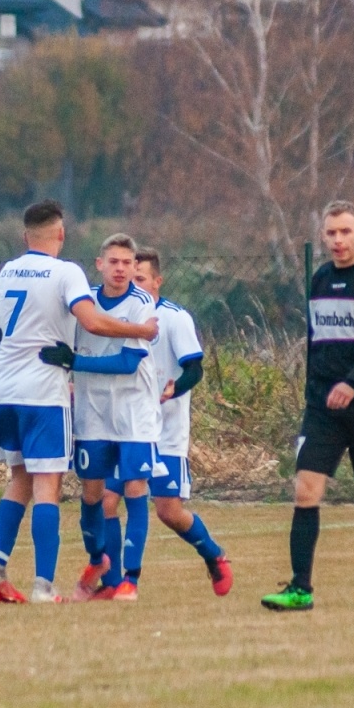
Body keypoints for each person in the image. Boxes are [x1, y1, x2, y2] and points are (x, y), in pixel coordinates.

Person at [0, 203, 157, 605]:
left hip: (3, 389)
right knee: (47, 485)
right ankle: (43, 586)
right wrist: (140, 330)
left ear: (25, 236)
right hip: (42, 393)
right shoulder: (66, 273)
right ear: (60, 234)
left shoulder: (8, 270)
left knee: (19, 480)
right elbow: (92, 321)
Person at [263, 202, 354, 613]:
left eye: (346, 231)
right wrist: (317, 389)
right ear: (323, 236)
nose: (338, 240)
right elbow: (317, 344)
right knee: (305, 488)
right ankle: (300, 588)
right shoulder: (321, 279)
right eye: (331, 233)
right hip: (323, 407)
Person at [100, 248, 234, 596]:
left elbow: (195, 369)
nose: (134, 285)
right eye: (131, 278)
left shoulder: (175, 319)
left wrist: (176, 388)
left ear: (157, 282)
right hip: (127, 428)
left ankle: (214, 554)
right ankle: (118, 582)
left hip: (166, 431)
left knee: (169, 511)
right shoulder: (120, 316)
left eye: (140, 278)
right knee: (107, 500)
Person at [37, 234, 160, 602]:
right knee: (92, 496)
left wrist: (76, 362)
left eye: (127, 263)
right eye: (114, 262)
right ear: (100, 264)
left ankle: (130, 580)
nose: (121, 269)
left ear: (135, 267)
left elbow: (127, 363)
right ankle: (99, 562)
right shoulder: (85, 303)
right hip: (92, 414)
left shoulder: (141, 303)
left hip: (133, 413)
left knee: (135, 489)